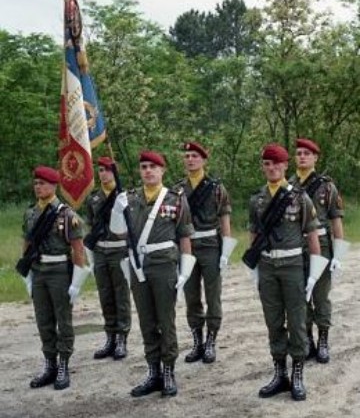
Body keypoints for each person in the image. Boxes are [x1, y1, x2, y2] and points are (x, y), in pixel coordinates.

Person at [111, 150, 195, 398]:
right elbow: (119, 234)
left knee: (165, 320)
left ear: (162, 170)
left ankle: (168, 371)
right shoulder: (130, 198)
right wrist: (117, 210)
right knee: (147, 321)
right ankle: (153, 371)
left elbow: (185, 236)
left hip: (164, 265)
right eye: (144, 166)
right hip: (139, 266)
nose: (148, 170)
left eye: (153, 167)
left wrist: (185, 271)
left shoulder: (175, 199)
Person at [248, 144, 325, 401]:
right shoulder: (257, 200)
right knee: (273, 322)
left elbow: (312, 237)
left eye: (276, 163)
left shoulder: (299, 197)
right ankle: (280, 373)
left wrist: (313, 275)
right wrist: (255, 270)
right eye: (267, 164)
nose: (271, 168)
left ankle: (298, 374)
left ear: (285, 166)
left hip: (293, 266)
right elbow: (253, 236)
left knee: (297, 322)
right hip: (268, 266)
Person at [22, 165, 88, 390]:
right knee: (44, 320)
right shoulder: (31, 213)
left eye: (42, 183)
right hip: (39, 271)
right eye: (36, 183)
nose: (38, 187)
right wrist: (28, 275)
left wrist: (76, 282)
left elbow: (78, 249)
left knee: (63, 320)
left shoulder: (66, 214)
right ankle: (49, 363)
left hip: (59, 272)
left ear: (53, 185)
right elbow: (27, 243)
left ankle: (63, 365)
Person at [176, 141, 234, 364]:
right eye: (187, 155)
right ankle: (197, 340)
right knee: (191, 296)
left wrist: (225, 252)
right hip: (187, 248)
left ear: (204, 160)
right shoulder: (178, 189)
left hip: (211, 245)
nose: (190, 159)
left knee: (213, 296)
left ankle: (211, 340)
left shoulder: (216, 188)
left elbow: (225, 220)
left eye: (195, 156)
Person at [290, 138, 345, 363]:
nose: (302, 156)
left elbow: (336, 221)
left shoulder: (326, 186)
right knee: (300, 298)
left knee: (321, 297)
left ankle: (323, 340)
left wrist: (338, 255)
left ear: (315, 158)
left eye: (307, 153)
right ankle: (309, 341)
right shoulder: (287, 185)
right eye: (299, 153)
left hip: (321, 247)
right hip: (295, 247)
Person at [85, 156, 131, 361]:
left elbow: (131, 227)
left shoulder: (124, 196)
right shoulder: (93, 198)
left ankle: (122, 337)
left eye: (106, 170)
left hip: (119, 250)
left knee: (120, 295)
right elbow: (90, 225)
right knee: (105, 295)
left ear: (115, 172)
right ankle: (110, 336)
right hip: (100, 251)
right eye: (100, 170)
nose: (102, 173)